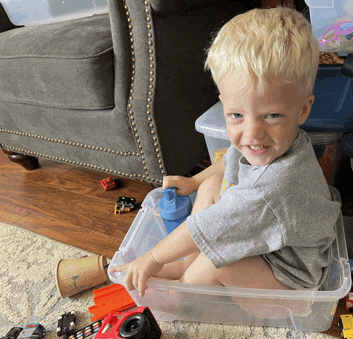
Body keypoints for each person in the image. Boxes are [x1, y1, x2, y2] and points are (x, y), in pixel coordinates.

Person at [109, 6, 341, 297]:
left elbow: (207, 228)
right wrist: (194, 182)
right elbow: (232, 159)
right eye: (236, 116)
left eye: (272, 116)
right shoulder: (276, 144)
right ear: (223, 105)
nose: (252, 133)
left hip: (291, 279)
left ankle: (183, 292)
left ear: (303, 109)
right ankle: (185, 270)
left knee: (213, 266)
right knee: (211, 184)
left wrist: (153, 258)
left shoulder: (272, 189)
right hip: (268, 238)